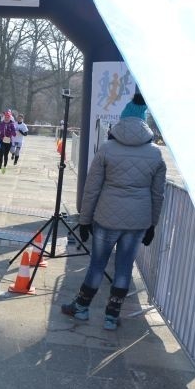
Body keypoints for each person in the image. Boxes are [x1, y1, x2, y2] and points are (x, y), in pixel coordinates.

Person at [61, 93, 166, 331]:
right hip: (138, 220)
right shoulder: (155, 154)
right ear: (144, 122)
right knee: (124, 266)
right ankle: (111, 316)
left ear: (122, 119)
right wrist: (152, 224)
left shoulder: (107, 148)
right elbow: (157, 194)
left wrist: (85, 220)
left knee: (97, 264)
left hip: (106, 217)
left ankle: (82, 308)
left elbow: (92, 187)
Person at [0, 110, 16, 174]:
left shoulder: (12, 124)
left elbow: (14, 134)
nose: (7, 118)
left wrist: (11, 130)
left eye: (8, 117)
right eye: (6, 117)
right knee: (1, 153)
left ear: (10, 117)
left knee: (6, 155)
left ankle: (4, 167)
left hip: (8, 141)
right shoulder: (1, 123)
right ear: (4, 117)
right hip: (1, 140)